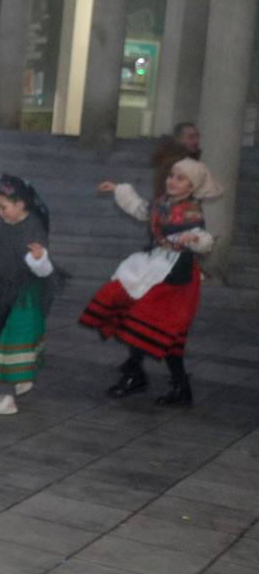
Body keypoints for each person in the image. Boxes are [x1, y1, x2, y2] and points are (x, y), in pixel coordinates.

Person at [80, 158, 221, 407]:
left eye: (180, 177)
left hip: (176, 277)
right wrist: (119, 189)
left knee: (156, 329)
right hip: (154, 266)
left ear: (192, 185)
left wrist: (194, 239)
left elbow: (204, 238)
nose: (172, 181)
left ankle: (164, 383)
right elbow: (142, 210)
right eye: (171, 175)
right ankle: (141, 375)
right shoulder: (162, 203)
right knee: (135, 317)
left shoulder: (191, 211)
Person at [0, 175, 63, 415]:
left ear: (21, 205)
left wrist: (40, 259)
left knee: (5, 344)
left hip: (18, 299)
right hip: (0, 291)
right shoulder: (9, 226)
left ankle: (6, 397)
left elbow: (42, 270)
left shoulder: (32, 228)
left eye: (3, 207)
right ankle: (11, 385)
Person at [150, 121, 201, 198]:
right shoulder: (174, 162)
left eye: (197, 136)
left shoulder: (187, 158)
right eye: (191, 137)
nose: (196, 141)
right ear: (179, 139)